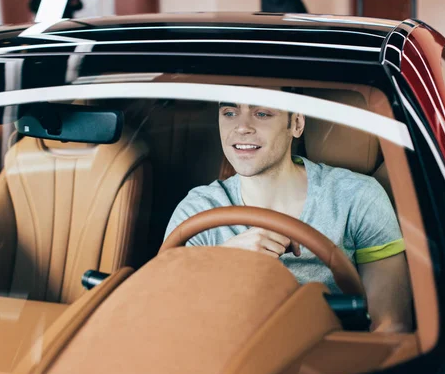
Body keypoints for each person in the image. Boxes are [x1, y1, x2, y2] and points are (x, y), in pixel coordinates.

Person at [164, 99, 412, 333]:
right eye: (229, 113)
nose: (241, 127)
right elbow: (164, 321)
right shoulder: (197, 211)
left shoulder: (358, 198)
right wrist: (223, 264)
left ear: (296, 124)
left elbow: (389, 330)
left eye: (262, 113)